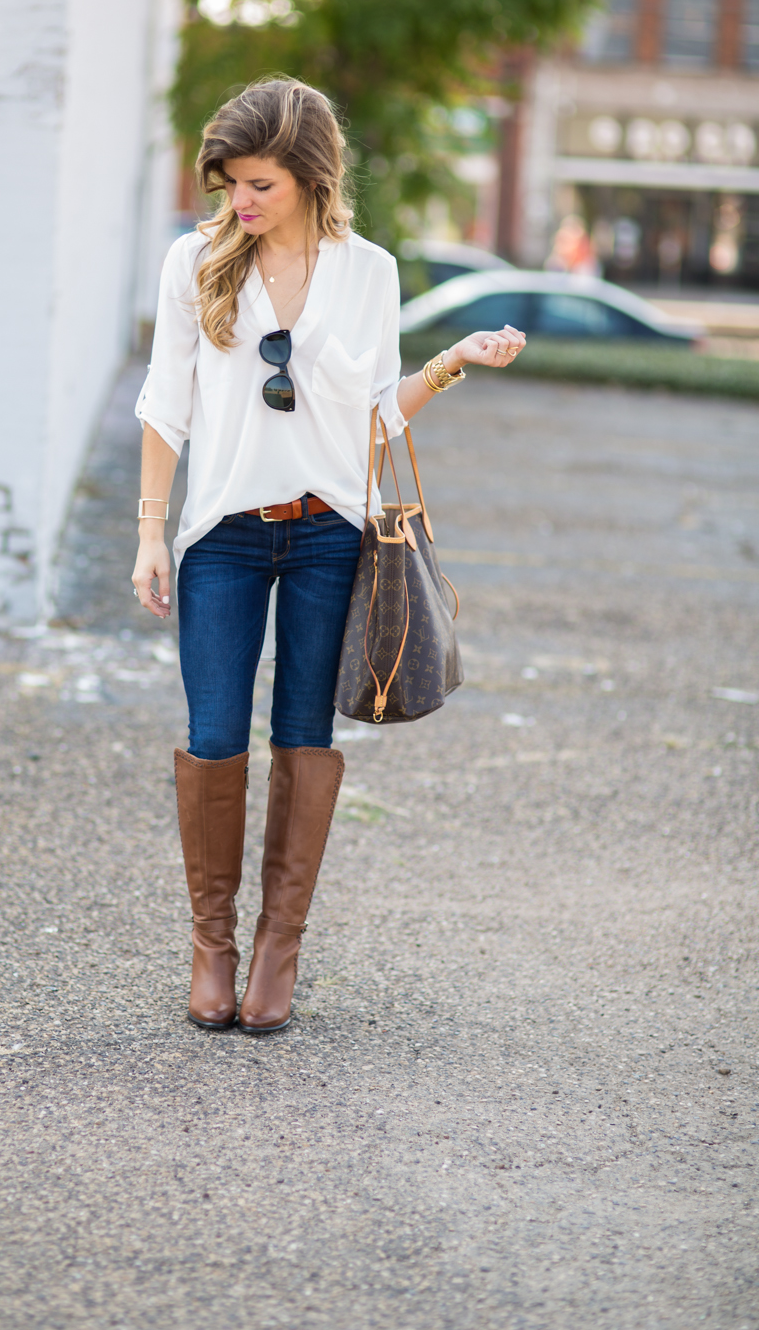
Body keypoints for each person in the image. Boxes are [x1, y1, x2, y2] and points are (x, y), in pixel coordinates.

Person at [132, 78, 525, 1035]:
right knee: (215, 732)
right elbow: (164, 402)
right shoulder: (197, 263)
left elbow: (374, 415)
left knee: (305, 734)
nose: (240, 203)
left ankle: (279, 947)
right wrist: (150, 528)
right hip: (222, 533)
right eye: (229, 184)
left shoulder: (370, 272)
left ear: (310, 178)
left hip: (325, 536)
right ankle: (212, 946)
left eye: (258, 184)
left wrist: (452, 360)